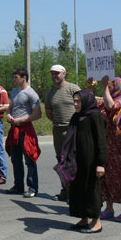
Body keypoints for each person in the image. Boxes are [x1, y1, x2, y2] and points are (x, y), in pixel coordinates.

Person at [63, 90, 107, 233]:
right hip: (77, 159)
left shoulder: (95, 115)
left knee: (92, 189)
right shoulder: (76, 116)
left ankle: (96, 222)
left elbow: (101, 140)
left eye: (78, 101)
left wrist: (101, 163)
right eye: (74, 101)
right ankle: (84, 218)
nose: (75, 104)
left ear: (86, 101)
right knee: (78, 188)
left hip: (91, 160)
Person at [99, 77, 121, 222]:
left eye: (112, 85)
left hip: (120, 144)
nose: (110, 87)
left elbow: (112, 106)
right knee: (107, 176)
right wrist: (89, 88)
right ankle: (109, 208)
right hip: (108, 143)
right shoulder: (110, 97)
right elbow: (93, 105)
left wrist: (104, 88)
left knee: (120, 176)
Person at [45, 64, 80, 202]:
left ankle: (76, 192)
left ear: (64, 74)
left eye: (57, 73)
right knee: (61, 161)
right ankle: (65, 190)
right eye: (52, 74)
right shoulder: (50, 93)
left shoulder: (73, 88)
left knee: (74, 161)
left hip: (73, 129)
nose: (54, 76)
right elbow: (49, 113)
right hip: (58, 130)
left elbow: (83, 106)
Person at [5, 67, 42, 198]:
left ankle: (32, 187)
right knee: (16, 160)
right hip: (14, 129)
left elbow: (37, 114)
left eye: (16, 77)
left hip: (26, 129)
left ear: (24, 78)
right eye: (14, 77)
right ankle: (18, 186)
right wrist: (9, 115)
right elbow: (10, 107)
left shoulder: (31, 93)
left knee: (30, 159)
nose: (14, 80)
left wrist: (22, 119)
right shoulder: (14, 91)